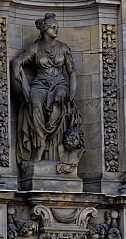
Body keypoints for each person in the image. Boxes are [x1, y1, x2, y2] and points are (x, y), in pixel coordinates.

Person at [12, 13, 83, 171]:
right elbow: (18, 60)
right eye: (53, 27)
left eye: (57, 26)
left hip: (59, 84)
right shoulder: (36, 48)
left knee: (60, 97)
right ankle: (41, 139)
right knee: (34, 102)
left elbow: (72, 72)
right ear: (45, 30)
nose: (56, 29)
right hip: (40, 84)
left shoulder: (63, 48)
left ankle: (50, 128)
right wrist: (16, 68)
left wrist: (72, 91)